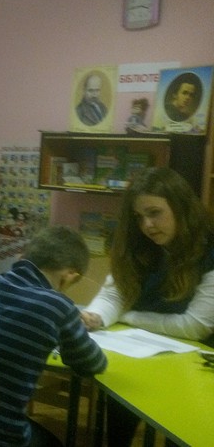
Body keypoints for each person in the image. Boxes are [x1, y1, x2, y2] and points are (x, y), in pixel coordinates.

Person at [0, 226, 108, 447]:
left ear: (22, 257)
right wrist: (72, 327)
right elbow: (91, 364)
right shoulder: (58, 306)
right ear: (70, 275)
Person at [80, 167, 214, 447]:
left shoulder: (209, 250)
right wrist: (95, 316)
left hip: (194, 364)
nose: (147, 225)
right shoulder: (140, 244)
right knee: (118, 398)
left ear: (181, 207)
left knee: (182, 432)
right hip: (140, 352)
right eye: (139, 217)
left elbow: (195, 326)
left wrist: (130, 317)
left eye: (155, 213)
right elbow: (115, 293)